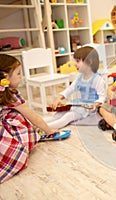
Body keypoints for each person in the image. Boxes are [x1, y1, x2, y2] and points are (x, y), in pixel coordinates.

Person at [0, 54, 70, 184]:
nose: (21, 77)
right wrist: (49, 130)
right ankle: (31, 137)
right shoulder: (11, 96)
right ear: (5, 77)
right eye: (18, 74)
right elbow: (33, 117)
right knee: (19, 117)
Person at [45, 46, 106, 129]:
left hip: (87, 109)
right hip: (78, 104)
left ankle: (43, 128)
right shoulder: (79, 78)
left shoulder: (97, 79)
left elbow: (102, 97)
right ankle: (34, 124)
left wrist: (95, 104)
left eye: (78, 61)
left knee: (67, 117)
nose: (74, 64)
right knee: (57, 115)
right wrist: (59, 98)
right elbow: (70, 89)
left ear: (89, 62)